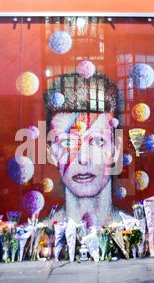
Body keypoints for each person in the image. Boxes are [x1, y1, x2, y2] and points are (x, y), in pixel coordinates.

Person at [43, 72, 128, 229]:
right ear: (52, 154)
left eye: (97, 141)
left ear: (116, 149)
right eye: (67, 143)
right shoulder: (42, 233)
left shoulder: (132, 228)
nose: (82, 158)